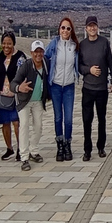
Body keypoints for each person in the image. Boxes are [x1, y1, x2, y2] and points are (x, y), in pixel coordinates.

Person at [78, 16, 112, 161]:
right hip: (88, 88)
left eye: (94, 26)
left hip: (101, 89)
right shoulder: (82, 45)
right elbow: (79, 67)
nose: (92, 28)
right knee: (87, 120)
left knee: (102, 119)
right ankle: (87, 149)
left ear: (97, 27)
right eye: (90, 26)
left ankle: (101, 147)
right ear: (86, 28)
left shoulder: (104, 42)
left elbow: (110, 63)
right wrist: (89, 70)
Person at [11, 40, 50, 172]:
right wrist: (19, 87)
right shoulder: (26, 66)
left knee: (38, 126)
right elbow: (13, 83)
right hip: (25, 101)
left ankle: (33, 150)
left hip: (38, 100)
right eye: (36, 51)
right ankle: (24, 157)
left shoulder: (46, 64)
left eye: (40, 51)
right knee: (24, 126)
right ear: (31, 53)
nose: (38, 54)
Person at [44, 17, 79, 162]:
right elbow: (45, 58)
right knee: (58, 117)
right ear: (59, 29)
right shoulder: (54, 44)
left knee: (69, 118)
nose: (65, 30)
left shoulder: (74, 46)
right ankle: (59, 144)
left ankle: (67, 144)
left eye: (68, 28)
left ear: (71, 31)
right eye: (63, 28)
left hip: (69, 85)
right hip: (56, 85)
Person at [0, 31, 25, 161]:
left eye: (9, 44)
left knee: (16, 123)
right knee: (5, 123)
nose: (6, 46)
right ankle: (9, 148)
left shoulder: (20, 57)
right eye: (4, 43)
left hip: (15, 95)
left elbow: (23, 73)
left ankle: (20, 148)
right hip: (2, 94)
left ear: (13, 44)